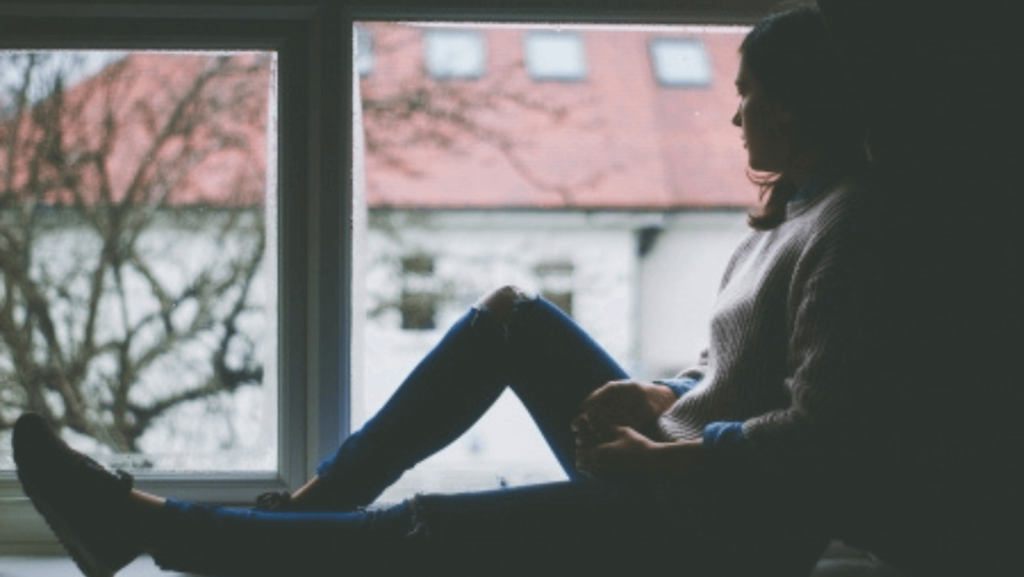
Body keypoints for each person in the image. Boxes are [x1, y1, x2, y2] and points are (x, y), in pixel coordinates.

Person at [12, 5, 881, 577]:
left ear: (799, 105)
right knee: (513, 316)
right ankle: (313, 506)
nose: (736, 117)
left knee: (431, 527)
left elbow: (824, 435)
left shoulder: (849, 228)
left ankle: (152, 527)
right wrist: (660, 391)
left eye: (750, 95)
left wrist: (660, 454)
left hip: (724, 536)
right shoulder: (792, 210)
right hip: (684, 477)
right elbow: (731, 368)